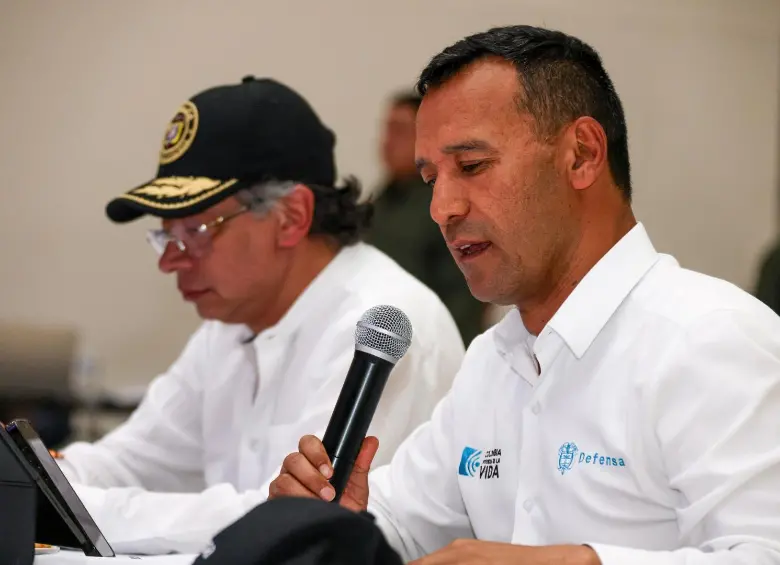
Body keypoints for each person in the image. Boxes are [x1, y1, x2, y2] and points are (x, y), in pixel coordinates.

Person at [269, 25, 780, 564]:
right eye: (430, 180)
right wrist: (347, 526)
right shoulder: (493, 360)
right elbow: (405, 522)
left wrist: (573, 562)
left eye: (471, 167)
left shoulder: (713, 339)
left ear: (581, 155)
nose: (442, 208)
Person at [54, 76, 465, 555]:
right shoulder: (229, 324)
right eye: (166, 236)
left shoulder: (381, 327)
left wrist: (77, 507)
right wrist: (36, 476)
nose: (170, 261)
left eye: (196, 230)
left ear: (291, 217)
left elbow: (291, 522)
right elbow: (130, 458)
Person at [368, 92, 485, 346]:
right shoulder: (375, 207)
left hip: (432, 351)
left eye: (399, 131)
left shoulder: (444, 207)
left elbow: (463, 295)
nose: (387, 142)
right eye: (386, 130)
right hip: (381, 346)